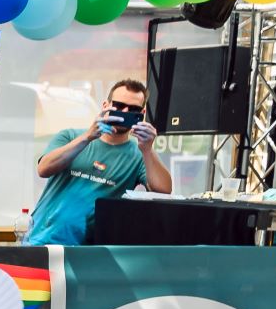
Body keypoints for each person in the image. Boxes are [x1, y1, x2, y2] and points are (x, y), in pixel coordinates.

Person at [24, 78, 170, 244]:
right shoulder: (70, 136)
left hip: (89, 251)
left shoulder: (139, 154)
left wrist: (148, 149)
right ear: (105, 106)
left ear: (141, 114)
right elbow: (43, 169)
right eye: (119, 106)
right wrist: (87, 137)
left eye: (133, 109)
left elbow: (164, 191)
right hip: (42, 239)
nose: (125, 112)